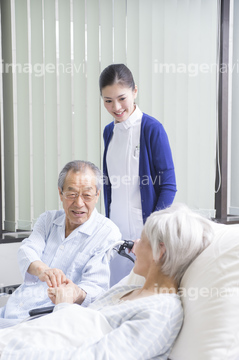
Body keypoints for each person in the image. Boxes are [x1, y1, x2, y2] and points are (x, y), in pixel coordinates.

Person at [0, 204, 214, 360]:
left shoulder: (162, 312)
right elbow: (72, 328)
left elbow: (96, 356)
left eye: (143, 239)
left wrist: (11, 352)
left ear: (161, 251)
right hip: (23, 337)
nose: (134, 245)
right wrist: (66, 302)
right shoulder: (126, 289)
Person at [0, 160, 121, 329]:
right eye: (72, 194)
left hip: (41, 321)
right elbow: (27, 250)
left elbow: (95, 287)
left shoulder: (107, 232)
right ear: (60, 193)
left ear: (97, 195)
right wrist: (44, 270)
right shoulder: (48, 220)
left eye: (87, 195)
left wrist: (74, 293)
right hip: (9, 311)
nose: (79, 203)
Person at [100, 63, 177, 285]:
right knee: (115, 292)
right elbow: (110, 186)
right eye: (108, 100)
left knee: (141, 291)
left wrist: (150, 232)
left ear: (135, 91)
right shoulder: (109, 132)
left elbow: (168, 184)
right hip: (115, 232)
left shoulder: (152, 129)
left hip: (144, 233)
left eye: (122, 98)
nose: (116, 107)